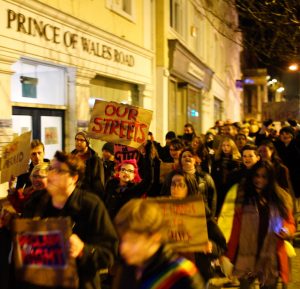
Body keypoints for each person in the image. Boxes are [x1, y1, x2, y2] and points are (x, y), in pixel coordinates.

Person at [18, 151, 118, 289]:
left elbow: (109, 253)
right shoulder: (37, 201)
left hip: (79, 282)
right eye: (51, 169)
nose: (51, 175)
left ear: (74, 178)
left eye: (59, 171)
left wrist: (83, 250)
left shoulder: (90, 205)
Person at [225, 160, 295, 289]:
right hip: (245, 255)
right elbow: (236, 227)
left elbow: (290, 223)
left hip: (270, 256)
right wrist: (230, 253)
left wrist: (287, 230)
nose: (259, 180)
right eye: (257, 176)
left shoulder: (280, 198)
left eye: (264, 177)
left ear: (271, 178)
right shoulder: (243, 197)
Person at [112, 198, 205, 289]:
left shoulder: (182, 276)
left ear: (154, 238)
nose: (123, 249)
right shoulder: (129, 267)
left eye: (132, 241)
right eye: (123, 240)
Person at [164, 170, 227, 283]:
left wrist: (210, 246)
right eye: (173, 184)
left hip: (195, 274)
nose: (175, 188)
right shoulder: (162, 211)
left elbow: (221, 245)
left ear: (189, 188)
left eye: (181, 185)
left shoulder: (200, 211)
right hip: (169, 273)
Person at [211, 137, 241, 216]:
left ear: (232, 147)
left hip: (231, 189)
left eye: (228, 145)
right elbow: (213, 175)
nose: (225, 148)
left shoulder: (237, 161)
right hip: (219, 189)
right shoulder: (217, 159)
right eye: (223, 145)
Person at [71, 131, 105, 200]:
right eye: (76, 139)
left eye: (81, 140)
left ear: (87, 143)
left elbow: (99, 183)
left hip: (87, 196)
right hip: (72, 194)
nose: (78, 142)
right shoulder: (71, 157)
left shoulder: (95, 160)